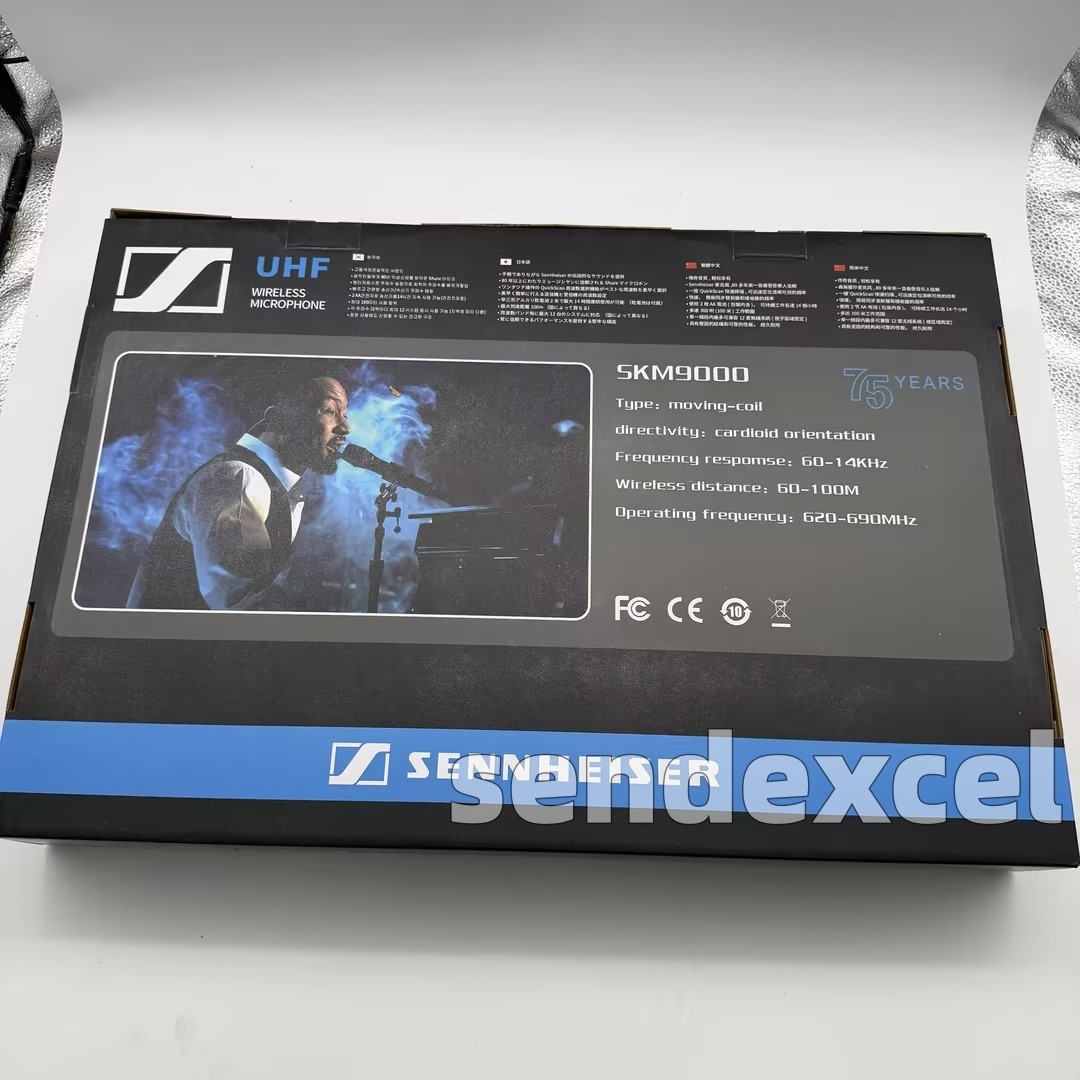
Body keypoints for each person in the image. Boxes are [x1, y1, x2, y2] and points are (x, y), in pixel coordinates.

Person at [127, 375, 351, 610]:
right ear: (279, 420)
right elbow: (240, 602)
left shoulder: (278, 486)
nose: (346, 427)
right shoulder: (238, 478)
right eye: (329, 411)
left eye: (345, 414)